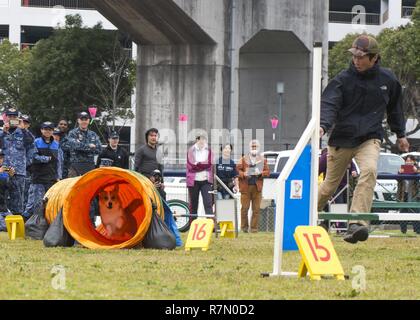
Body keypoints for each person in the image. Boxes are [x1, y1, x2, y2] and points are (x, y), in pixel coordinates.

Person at [318, 35, 409, 244]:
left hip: (369, 137)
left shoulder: (388, 80)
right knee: (329, 186)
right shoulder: (343, 79)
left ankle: (357, 223)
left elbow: (395, 108)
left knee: (369, 171)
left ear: (374, 58)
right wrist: (323, 125)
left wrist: (400, 134)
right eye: (354, 56)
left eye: (361, 57)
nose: (356, 61)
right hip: (342, 138)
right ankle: (305, 215)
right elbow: (330, 104)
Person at [23, 122, 62, 220]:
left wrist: (59, 177)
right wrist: (45, 159)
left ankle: (46, 225)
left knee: (50, 203)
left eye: (50, 129)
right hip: (38, 178)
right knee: (36, 204)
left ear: (53, 131)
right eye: (45, 129)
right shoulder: (36, 142)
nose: (47, 131)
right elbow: (32, 157)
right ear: (41, 130)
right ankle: (34, 226)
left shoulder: (56, 144)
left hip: (52, 179)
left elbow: (59, 162)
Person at [0, 107, 33, 214]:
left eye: (15, 117)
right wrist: (3, 133)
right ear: (6, 118)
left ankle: (17, 221)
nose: (12, 118)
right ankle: (3, 222)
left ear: (18, 118)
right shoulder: (2, 132)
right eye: (10, 116)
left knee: (19, 199)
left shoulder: (23, 131)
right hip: (4, 171)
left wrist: (23, 129)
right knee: (3, 197)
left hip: (19, 171)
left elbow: (31, 141)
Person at [237, 139, 270, 233]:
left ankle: (254, 229)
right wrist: (244, 174)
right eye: (253, 146)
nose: (254, 148)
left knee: (256, 209)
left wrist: (260, 173)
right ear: (249, 148)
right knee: (244, 209)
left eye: (256, 147)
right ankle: (244, 228)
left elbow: (268, 172)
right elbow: (237, 171)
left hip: (257, 188)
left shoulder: (263, 159)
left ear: (259, 148)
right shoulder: (243, 159)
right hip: (245, 187)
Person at [65, 111, 102, 177]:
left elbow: (99, 149)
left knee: (90, 187)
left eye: (86, 119)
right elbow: (75, 146)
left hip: (90, 166)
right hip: (75, 166)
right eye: (82, 119)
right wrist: (89, 146)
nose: (84, 121)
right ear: (78, 120)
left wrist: (81, 146)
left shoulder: (93, 134)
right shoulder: (72, 133)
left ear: (89, 121)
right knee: (74, 186)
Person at [186, 133, 214, 217]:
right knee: (193, 204)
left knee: (208, 203)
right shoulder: (190, 151)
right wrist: (203, 165)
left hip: (206, 181)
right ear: (197, 140)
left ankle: (211, 225)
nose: (202, 141)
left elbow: (209, 164)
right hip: (193, 182)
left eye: (204, 139)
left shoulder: (209, 151)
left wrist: (198, 164)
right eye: (200, 139)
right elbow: (191, 166)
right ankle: (192, 225)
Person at [134, 128, 165, 198]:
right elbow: (136, 168)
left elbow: (161, 168)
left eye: (155, 135)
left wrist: (162, 182)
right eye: (151, 135)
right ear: (147, 137)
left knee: (163, 195)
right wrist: (147, 181)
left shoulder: (159, 152)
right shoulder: (141, 150)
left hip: (157, 182)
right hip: (145, 182)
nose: (153, 137)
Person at [397, 155, 420, 234]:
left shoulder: (417, 169)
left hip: (414, 194)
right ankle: (403, 230)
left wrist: (416, 171)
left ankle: (417, 230)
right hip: (404, 194)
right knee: (403, 212)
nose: (408, 162)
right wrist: (399, 173)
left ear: (414, 161)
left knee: (415, 211)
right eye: (407, 161)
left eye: (410, 161)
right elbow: (398, 180)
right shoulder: (402, 169)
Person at [19, 114, 35, 209]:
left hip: (25, 170)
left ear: (28, 125)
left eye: (26, 122)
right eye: (22, 121)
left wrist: (23, 130)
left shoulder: (28, 135)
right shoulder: (11, 132)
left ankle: (22, 216)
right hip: (8, 168)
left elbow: (30, 141)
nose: (23, 124)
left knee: (24, 193)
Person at [0, 148, 15, 231]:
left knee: (13, 224)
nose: (0, 160)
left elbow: (11, 188)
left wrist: (11, 176)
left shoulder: (4, 172)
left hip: (3, 207)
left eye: (1, 158)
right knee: (3, 227)